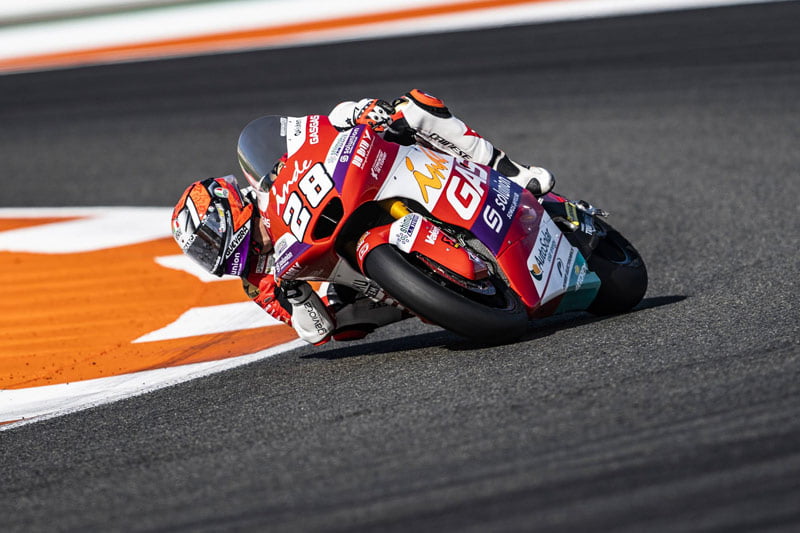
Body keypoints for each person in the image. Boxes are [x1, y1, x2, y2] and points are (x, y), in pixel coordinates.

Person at [171, 89, 555, 345]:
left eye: (207, 241)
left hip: (361, 187)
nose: (210, 254)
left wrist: (357, 112)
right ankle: (429, 296)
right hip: (354, 275)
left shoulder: (267, 181)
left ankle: (509, 170)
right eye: (201, 253)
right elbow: (316, 331)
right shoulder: (257, 283)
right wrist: (298, 295)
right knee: (344, 326)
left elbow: (313, 129)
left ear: (227, 208)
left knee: (412, 107)